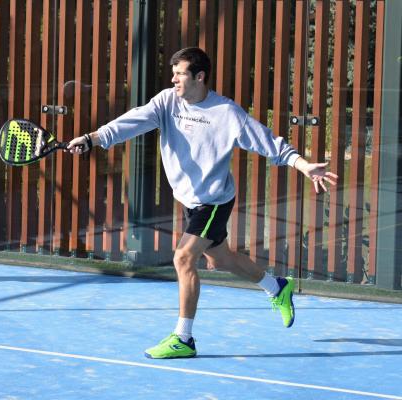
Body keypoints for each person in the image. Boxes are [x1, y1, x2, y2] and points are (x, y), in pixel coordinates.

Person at [67, 47, 338, 359]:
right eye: (174, 73)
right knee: (220, 259)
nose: (174, 79)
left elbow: (269, 142)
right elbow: (133, 121)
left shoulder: (226, 114)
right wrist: (92, 138)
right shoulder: (167, 101)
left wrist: (304, 166)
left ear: (199, 77)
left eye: (180, 74)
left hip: (213, 200)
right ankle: (277, 287)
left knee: (183, 258)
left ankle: (183, 338)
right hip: (189, 199)